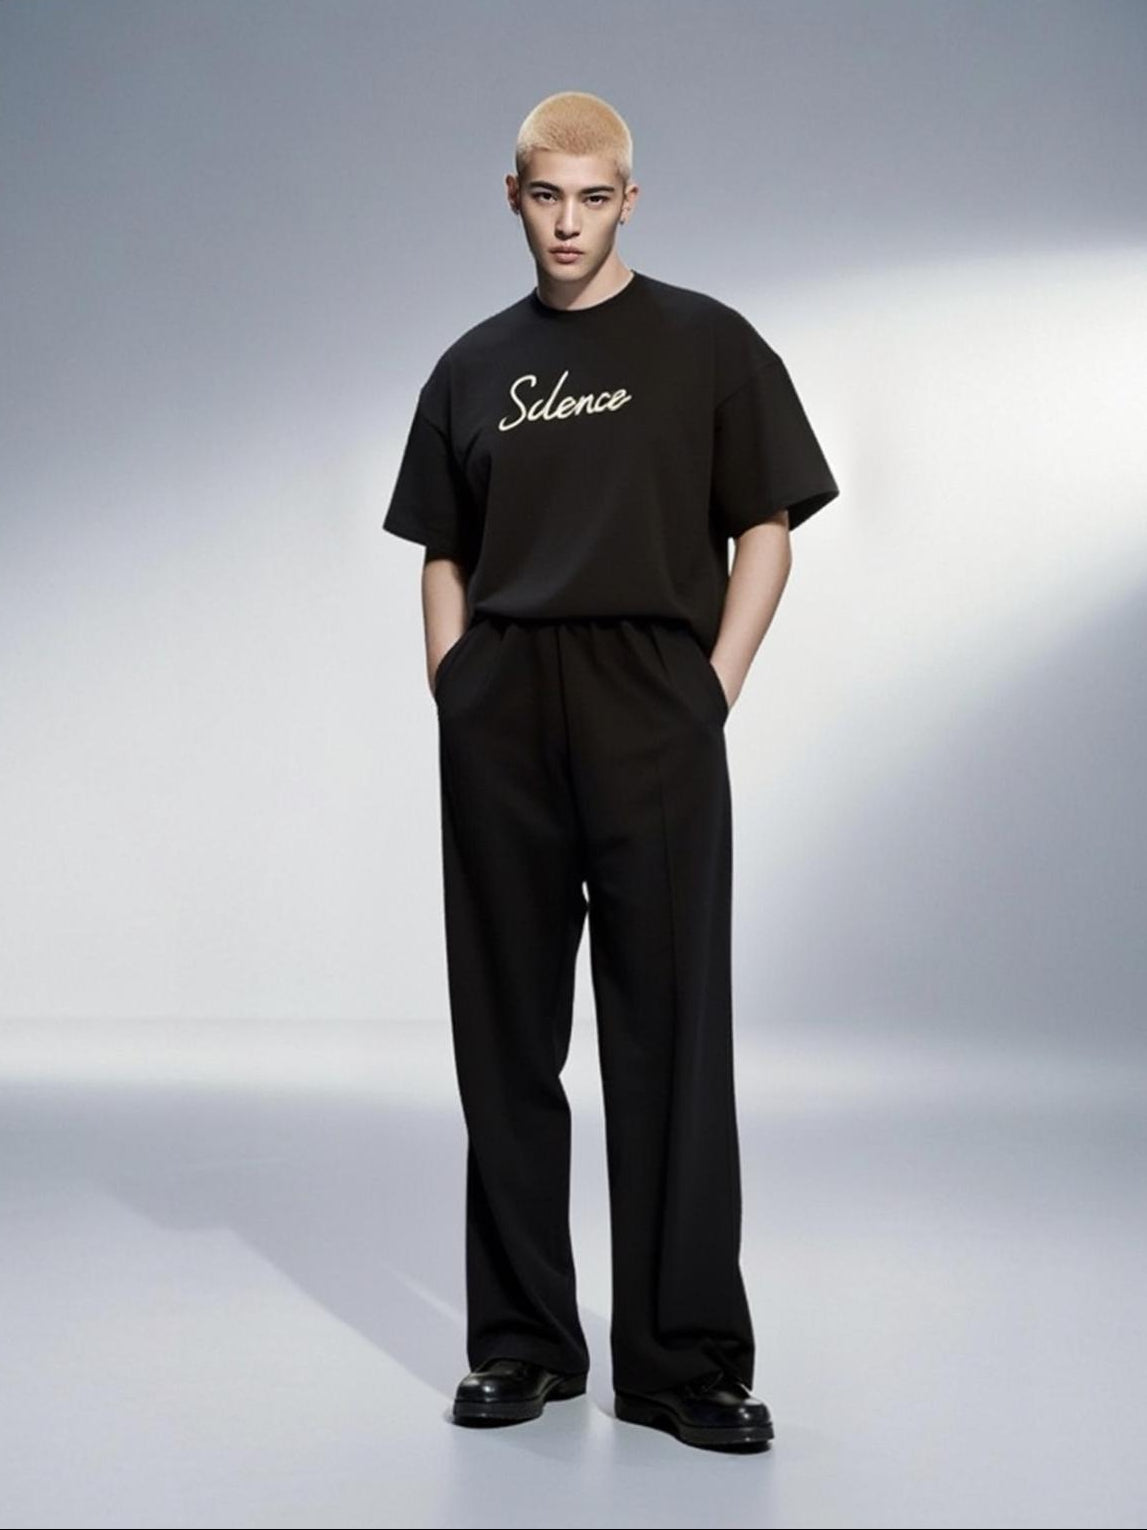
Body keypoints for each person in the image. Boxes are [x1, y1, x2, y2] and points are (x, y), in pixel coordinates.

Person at [382, 90, 839, 1453]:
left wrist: (712, 688)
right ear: (512, 198)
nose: (568, 224)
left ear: (630, 199)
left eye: (593, 198)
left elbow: (767, 527)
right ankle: (523, 1342)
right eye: (546, 197)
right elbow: (444, 549)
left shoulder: (709, 344)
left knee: (672, 1033)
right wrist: (457, 686)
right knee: (507, 1036)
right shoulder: (471, 367)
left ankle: (683, 1360)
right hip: (505, 714)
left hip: (655, 705)